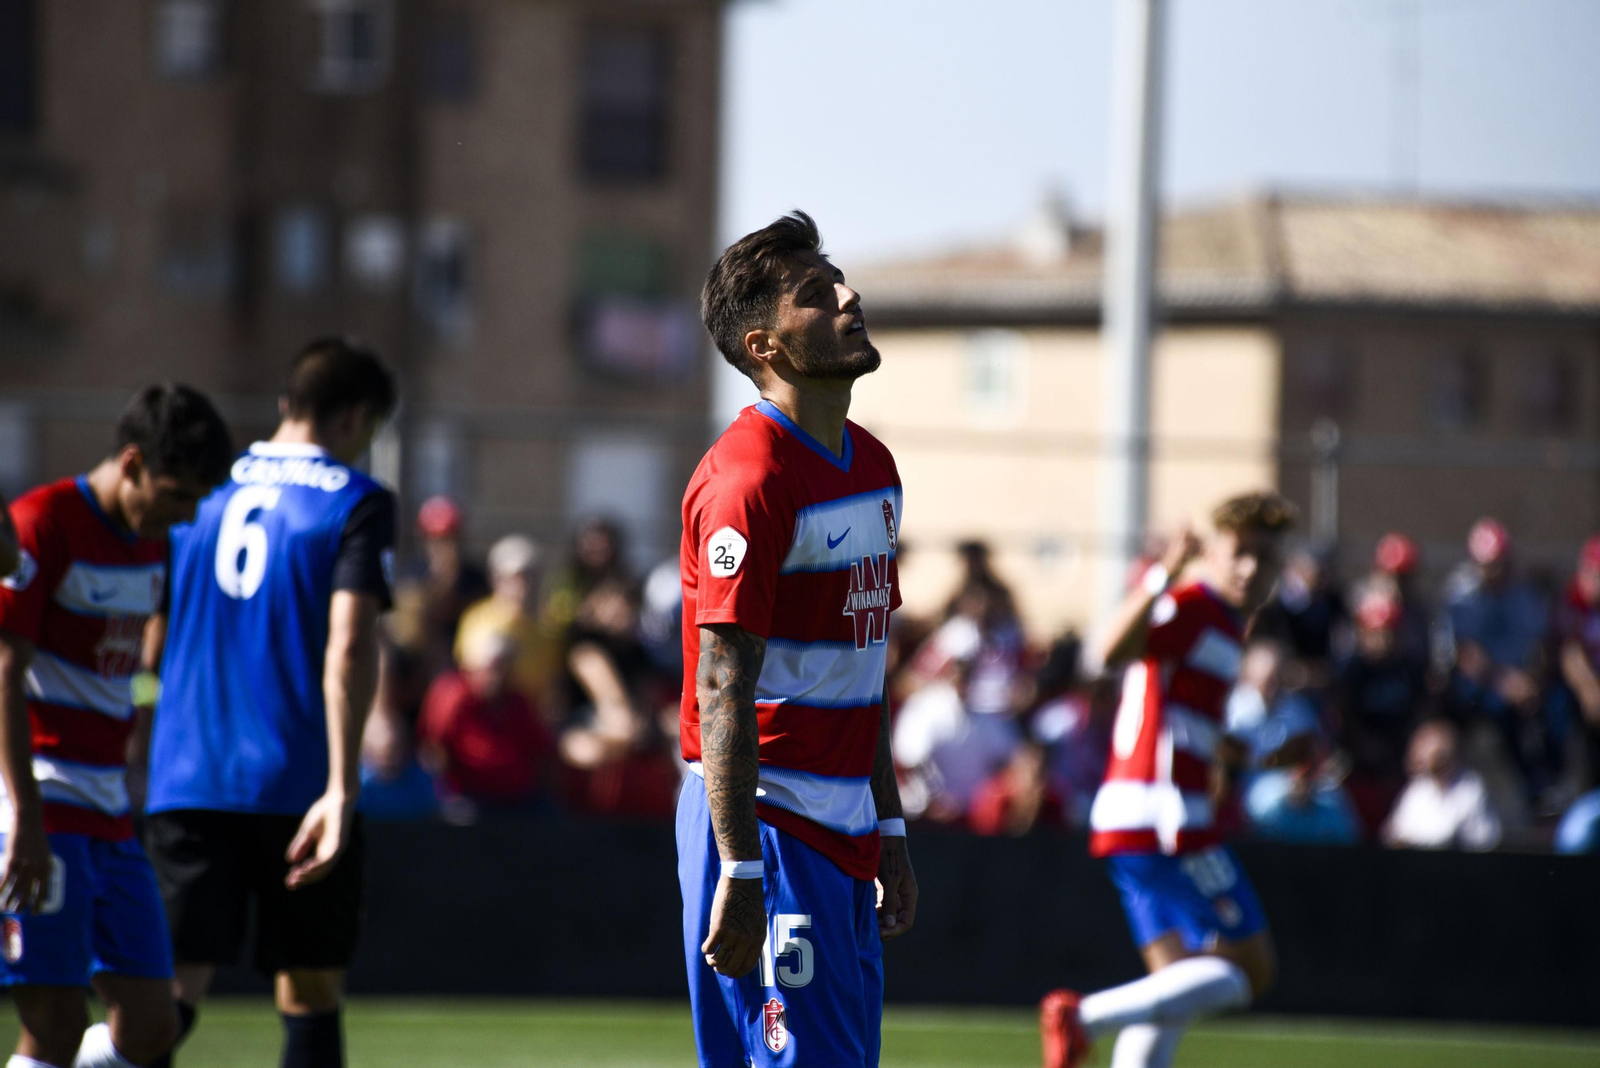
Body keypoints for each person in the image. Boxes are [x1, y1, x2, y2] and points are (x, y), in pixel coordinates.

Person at [677, 211, 917, 1067]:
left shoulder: (875, 465)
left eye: (839, 279)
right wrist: (742, 872)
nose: (850, 297)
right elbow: (721, 689)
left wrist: (888, 823)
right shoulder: (748, 480)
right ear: (765, 345)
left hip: (842, 826)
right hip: (769, 827)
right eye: (816, 296)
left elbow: (864, 668)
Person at [142, 339, 398, 1068]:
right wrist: (343, 790)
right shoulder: (356, 500)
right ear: (356, 418)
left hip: (187, 776)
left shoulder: (200, 487)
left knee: (168, 998)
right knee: (309, 992)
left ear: (288, 402)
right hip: (299, 785)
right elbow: (349, 646)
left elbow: (152, 641)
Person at [0, 385, 233, 1068]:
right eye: (177, 494)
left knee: (152, 1025)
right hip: (43, 801)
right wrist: (25, 815)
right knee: (54, 1022)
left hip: (108, 811)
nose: (185, 515)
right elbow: (5, 672)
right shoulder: (45, 522)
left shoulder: (150, 543)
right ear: (131, 463)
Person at [1041, 491, 1296, 1068]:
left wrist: (1265, 757)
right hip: (1166, 816)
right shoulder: (1195, 605)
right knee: (1251, 969)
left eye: (1267, 558)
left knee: (1174, 988)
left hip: (1135, 816)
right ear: (1214, 551)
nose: (1251, 568)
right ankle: (1082, 1018)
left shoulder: (1225, 624)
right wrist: (1164, 573)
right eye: (1241, 552)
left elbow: (1192, 729)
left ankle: (1091, 1029)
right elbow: (1107, 650)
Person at [418, 630, 555, 819]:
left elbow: (541, 750)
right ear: (471, 667)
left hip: (518, 799)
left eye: (506, 667)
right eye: (494, 667)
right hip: (469, 799)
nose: (499, 675)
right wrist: (445, 795)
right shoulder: (452, 696)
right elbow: (433, 750)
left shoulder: (519, 702)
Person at [453, 534, 559, 711]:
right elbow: (476, 680)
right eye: (515, 576)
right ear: (495, 578)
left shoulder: (548, 628)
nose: (523, 584)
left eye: (529, 576)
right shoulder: (478, 619)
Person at [1383, 719, 1500, 851]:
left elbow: (1480, 840)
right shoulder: (1418, 789)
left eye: (1425, 744)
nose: (1416, 751)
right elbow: (1394, 834)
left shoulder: (1471, 787)